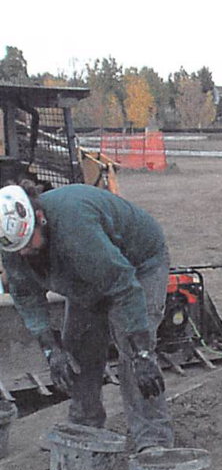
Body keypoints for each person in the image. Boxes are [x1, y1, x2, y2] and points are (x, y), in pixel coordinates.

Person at [0, 182, 173, 453]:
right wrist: (50, 350)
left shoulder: (76, 232)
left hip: (138, 265)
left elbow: (124, 287)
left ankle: (152, 440)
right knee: (77, 347)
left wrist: (141, 353)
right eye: (17, 248)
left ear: (40, 219)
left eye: (28, 243)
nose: (24, 253)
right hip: (85, 275)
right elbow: (26, 298)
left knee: (132, 358)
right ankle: (84, 424)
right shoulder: (13, 244)